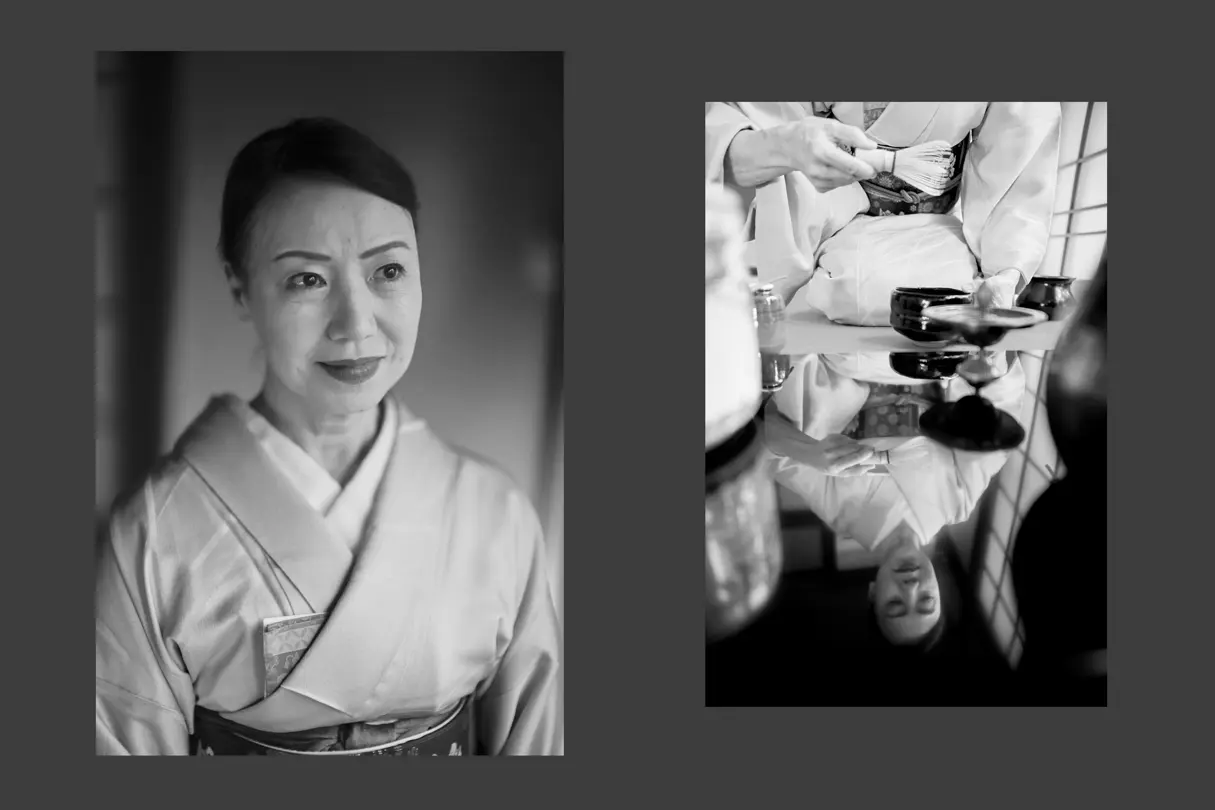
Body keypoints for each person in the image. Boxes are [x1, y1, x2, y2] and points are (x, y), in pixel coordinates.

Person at [95, 118, 562, 756]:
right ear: (240, 288)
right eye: (307, 279)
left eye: (389, 271)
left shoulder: (496, 514)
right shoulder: (152, 535)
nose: (356, 323)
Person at [759, 351, 1027, 646]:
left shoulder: (840, 511)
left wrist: (809, 451)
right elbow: (990, 437)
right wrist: (988, 364)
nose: (911, 587)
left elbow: (767, 444)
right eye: (926, 600)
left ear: (874, 592)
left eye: (895, 605)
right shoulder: (955, 504)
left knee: (804, 419)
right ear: (938, 590)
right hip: (929, 355)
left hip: (846, 358)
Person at [705, 102, 1061, 324]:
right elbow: (736, 134)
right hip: (820, 205)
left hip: (929, 231)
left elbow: (1020, 144)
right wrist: (784, 147)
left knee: (929, 294)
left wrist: (1008, 269)